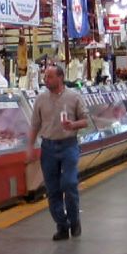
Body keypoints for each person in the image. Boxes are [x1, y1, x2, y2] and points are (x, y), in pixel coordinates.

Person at [26, 64, 90, 241]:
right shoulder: (40, 99)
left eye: (50, 77)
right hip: (48, 148)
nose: (46, 80)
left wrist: (73, 125)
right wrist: (30, 147)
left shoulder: (74, 97)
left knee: (69, 184)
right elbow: (35, 125)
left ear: (60, 78)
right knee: (52, 189)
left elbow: (85, 121)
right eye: (45, 77)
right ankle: (62, 225)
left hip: (69, 145)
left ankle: (74, 219)